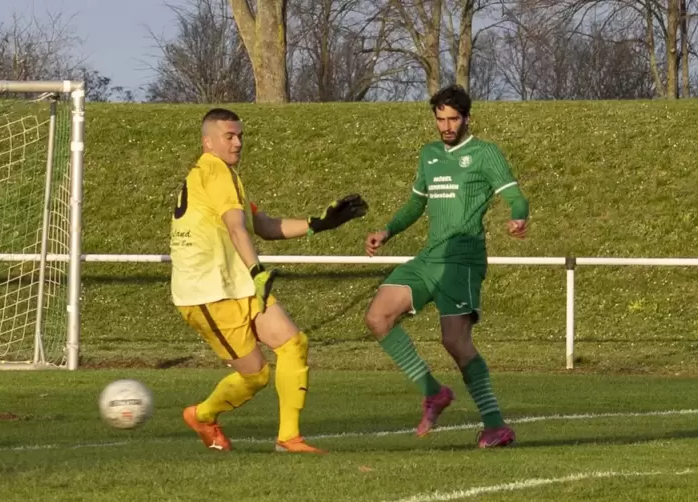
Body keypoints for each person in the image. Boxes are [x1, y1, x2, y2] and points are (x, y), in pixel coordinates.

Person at [170, 107, 368, 454]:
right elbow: (235, 228)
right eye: (229, 136)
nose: (238, 143)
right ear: (208, 142)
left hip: (238, 284)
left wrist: (318, 223)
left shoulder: (227, 177)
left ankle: (289, 439)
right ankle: (201, 415)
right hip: (207, 292)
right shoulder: (215, 171)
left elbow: (261, 226)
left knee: (294, 344)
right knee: (256, 375)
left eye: (240, 136)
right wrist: (257, 271)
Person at [363, 84, 529, 448]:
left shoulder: (485, 154)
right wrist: (387, 230)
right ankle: (433, 392)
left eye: (453, 118)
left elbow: (516, 197)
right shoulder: (429, 155)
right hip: (429, 258)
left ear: (467, 118)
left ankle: (495, 424)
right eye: (441, 119)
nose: (447, 126)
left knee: (455, 341)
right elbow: (415, 204)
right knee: (378, 317)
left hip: (462, 260)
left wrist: (519, 218)